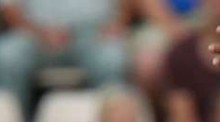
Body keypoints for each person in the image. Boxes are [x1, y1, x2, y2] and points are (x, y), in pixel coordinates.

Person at [0, 0, 128, 115]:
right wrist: (37, 32)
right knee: (7, 57)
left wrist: (117, 22)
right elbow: (9, 6)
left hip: (91, 36)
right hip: (34, 35)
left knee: (112, 59)